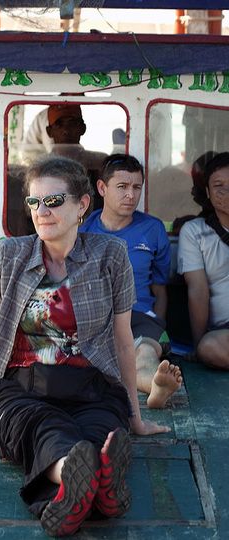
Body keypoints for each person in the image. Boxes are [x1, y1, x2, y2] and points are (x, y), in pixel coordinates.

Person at [0, 156, 169, 537]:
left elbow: (123, 340)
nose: (41, 212)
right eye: (34, 202)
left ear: (82, 205)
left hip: (93, 387)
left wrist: (135, 416)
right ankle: (86, 479)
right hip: (25, 388)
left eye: (53, 201)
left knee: (103, 431)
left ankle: (80, 479)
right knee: (39, 428)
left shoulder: (110, 255)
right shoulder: (7, 256)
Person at [80, 154, 182, 409]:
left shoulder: (153, 229)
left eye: (137, 187)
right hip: (95, 318)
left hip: (139, 315)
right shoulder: (82, 230)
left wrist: (158, 323)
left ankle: (156, 386)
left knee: (145, 354)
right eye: (122, 187)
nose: (131, 195)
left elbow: (159, 288)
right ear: (102, 188)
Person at [177, 152, 229, 369]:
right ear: (207, 191)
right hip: (224, 333)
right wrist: (198, 346)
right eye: (219, 185)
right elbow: (198, 290)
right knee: (209, 347)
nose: (227, 191)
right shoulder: (194, 232)